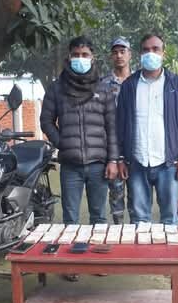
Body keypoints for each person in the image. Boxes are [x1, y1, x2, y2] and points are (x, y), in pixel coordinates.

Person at [116, 34, 178, 225]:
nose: (150, 53)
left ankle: (168, 246)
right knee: (139, 219)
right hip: (137, 162)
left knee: (169, 218)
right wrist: (121, 158)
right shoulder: (129, 86)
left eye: (155, 49)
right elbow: (120, 124)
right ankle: (142, 246)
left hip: (168, 163)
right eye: (146, 50)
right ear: (140, 54)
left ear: (163, 53)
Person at [40, 36, 119, 226]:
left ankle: (96, 246)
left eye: (85, 54)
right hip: (70, 165)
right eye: (76, 55)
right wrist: (62, 143)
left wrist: (113, 160)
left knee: (99, 217)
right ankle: (73, 247)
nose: (80, 58)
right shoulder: (57, 88)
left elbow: (112, 127)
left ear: (92, 57)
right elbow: (46, 121)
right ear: (69, 57)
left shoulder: (103, 89)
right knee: (70, 219)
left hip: (98, 164)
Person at [101, 37, 132, 224]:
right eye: (115, 52)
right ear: (111, 56)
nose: (119, 55)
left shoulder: (139, 80)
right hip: (111, 147)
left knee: (137, 198)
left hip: (135, 148)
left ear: (130, 54)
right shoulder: (103, 83)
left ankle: (137, 234)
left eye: (123, 51)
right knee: (116, 196)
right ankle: (118, 229)